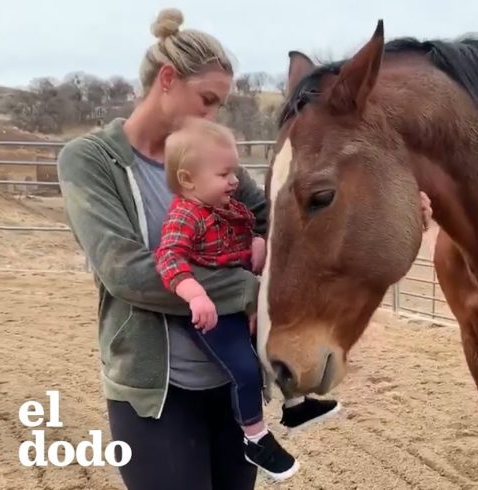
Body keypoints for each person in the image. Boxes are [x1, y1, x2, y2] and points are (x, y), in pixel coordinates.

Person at [56, 8, 340, 490]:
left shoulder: (206, 158)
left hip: (233, 383)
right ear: (167, 79)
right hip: (155, 392)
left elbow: (275, 216)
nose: (210, 117)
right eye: (206, 101)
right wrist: (248, 289)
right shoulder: (91, 160)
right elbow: (125, 271)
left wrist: (264, 237)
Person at [153, 117, 331, 481]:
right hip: (214, 313)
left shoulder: (226, 206)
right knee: (245, 371)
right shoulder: (186, 215)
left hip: (239, 302)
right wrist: (195, 294)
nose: (235, 181)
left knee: (276, 343)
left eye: (234, 172)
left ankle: (295, 404)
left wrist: (258, 241)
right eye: (224, 174)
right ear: (188, 179)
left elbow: (252, 223)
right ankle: (255, 438)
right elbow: (169, 258)